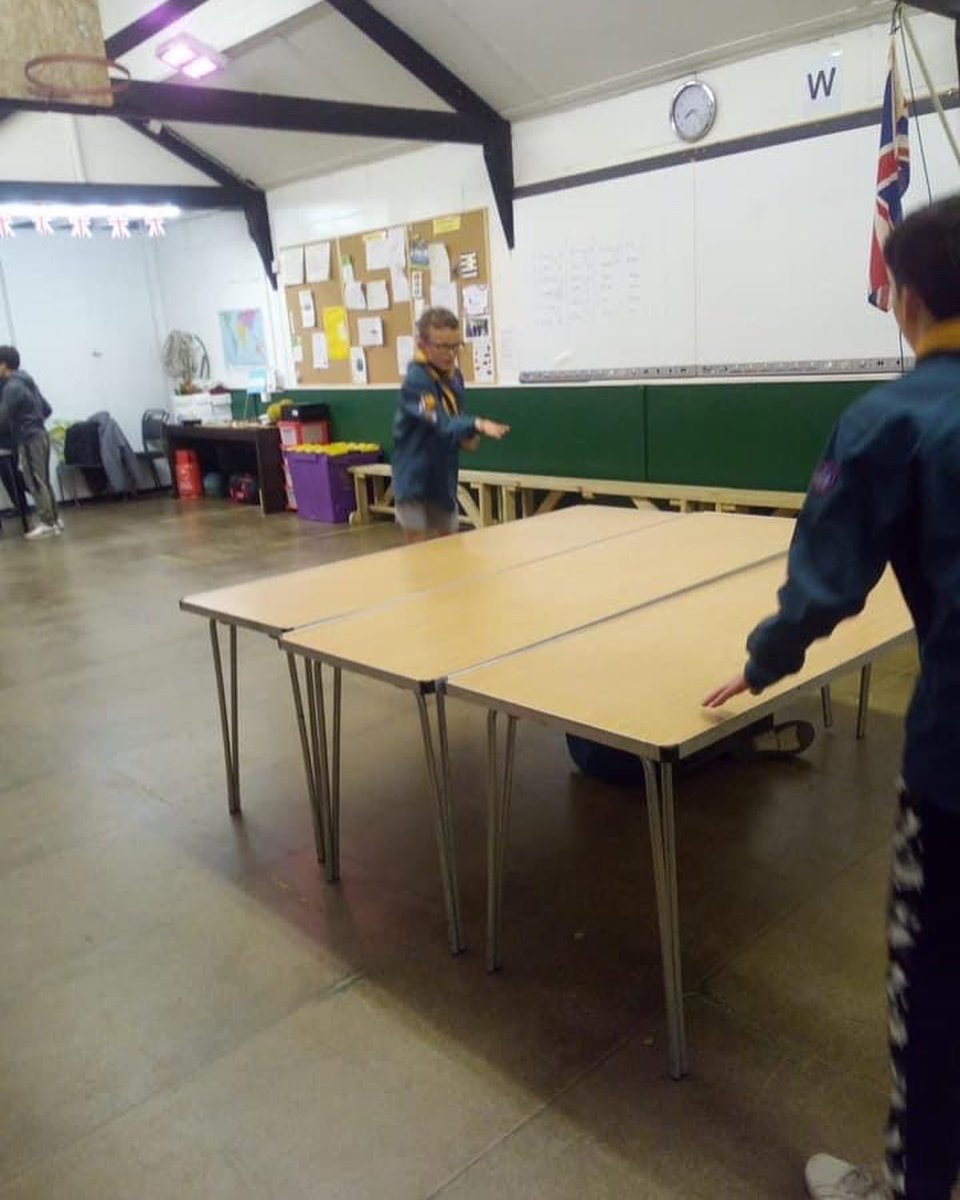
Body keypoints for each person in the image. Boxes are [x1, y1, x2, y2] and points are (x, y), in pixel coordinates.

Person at [704, 194, 960, 1200]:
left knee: (933, 984)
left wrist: (763, 663)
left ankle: (914, 1185)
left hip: (956, 764)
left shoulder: (891, 419)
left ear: (904, 300)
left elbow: (826, 581)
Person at [392, 307, 510, 543]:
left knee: (451, 545)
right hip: (415, 476)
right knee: (418, 550)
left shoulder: (454, 376)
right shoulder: (416, 380)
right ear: (422, 344)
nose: (450, 354)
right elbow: (440, 421)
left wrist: (466, 436)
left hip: (443, 475)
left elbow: (455, 415)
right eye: (442, 347)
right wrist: (477, 424)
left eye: (455, 346)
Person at [0, 346, 61, 539]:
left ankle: (47, 523)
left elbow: (2, 418)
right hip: (40, 434)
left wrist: (23, 424)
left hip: (28, 438)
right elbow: (47, 409)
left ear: (3, 365)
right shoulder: (27, 380)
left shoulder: (11, 387)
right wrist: (33, 419)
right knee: (43, 480)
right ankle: (54, 519)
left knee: (34, 480)